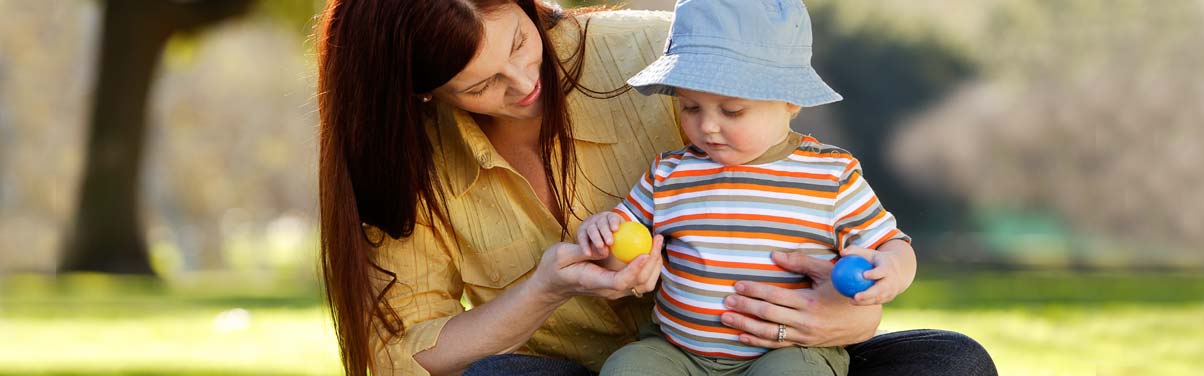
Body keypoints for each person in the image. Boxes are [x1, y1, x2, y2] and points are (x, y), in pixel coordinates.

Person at [314, 0, 998, 375]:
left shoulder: (662, 55)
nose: (522, 83)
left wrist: (853, 314)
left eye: (520, 44)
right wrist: (545, 289)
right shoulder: (404, 162)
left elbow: (858, 227)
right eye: (478, 85)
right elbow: (396, 356)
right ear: (418, 92)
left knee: (951, 364)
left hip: (775, 353)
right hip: (620, 370)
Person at [574, 1, 914, 375]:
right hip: (678, 352)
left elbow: (890, 244)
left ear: (791, 100)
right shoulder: (668, 172)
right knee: (627, 367)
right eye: (690, 107)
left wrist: (893, 271)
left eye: (732, 111)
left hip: (787, 352)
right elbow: (620, 251)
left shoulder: (831, 175)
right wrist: (603, 236)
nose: (708, 127)